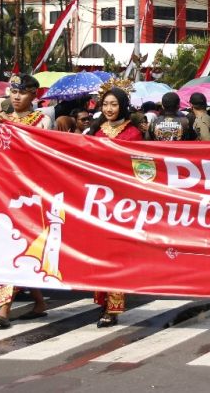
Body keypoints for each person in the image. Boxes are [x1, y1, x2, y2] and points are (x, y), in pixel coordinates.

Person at [0, 73, 51, 328]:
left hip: (32, 194)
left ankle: (7, 308)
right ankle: (26, 304)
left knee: (24, 248)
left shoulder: (42, 121)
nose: (16, 97)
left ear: (33, 95)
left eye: (22, 92)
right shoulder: (0, 120)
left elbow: (42, 154)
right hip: (4, 191)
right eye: (13, 92)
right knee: (6, 247)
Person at [84, 83, 143, 327]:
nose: (109, 109)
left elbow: (141, 167)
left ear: (123, 106)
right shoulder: (96, 131)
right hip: (99, 200)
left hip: (123, 201)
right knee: (100, 252)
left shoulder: (133, 133)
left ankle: (113, 306)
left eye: (114, 104)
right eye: (106, 104)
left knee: (117, 254)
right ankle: (103, 300)